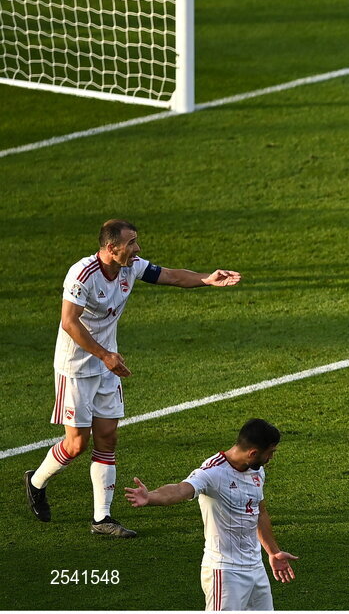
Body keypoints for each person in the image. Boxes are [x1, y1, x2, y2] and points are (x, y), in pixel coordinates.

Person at [24, 219, 241, 537]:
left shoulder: (131, 267)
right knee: (76, 444)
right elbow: (70, 323)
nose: (137, 249)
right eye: (132, 243)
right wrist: (105, 355)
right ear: (112, 248)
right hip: (77, 367)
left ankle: (102, 519)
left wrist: (207, 279)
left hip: (107, 364)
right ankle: (35, 482)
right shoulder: (82, 275)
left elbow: (169, 275)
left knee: (108, 437)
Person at [125, 418, 298, 611]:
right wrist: (150, 497)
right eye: (270, 452)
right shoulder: (213, 472)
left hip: (256, 568)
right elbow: (180, 489)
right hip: (225, 572)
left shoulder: (256, 471)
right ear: (253, 453)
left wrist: (273, 552)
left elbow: (259, 511)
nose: (271, 458)